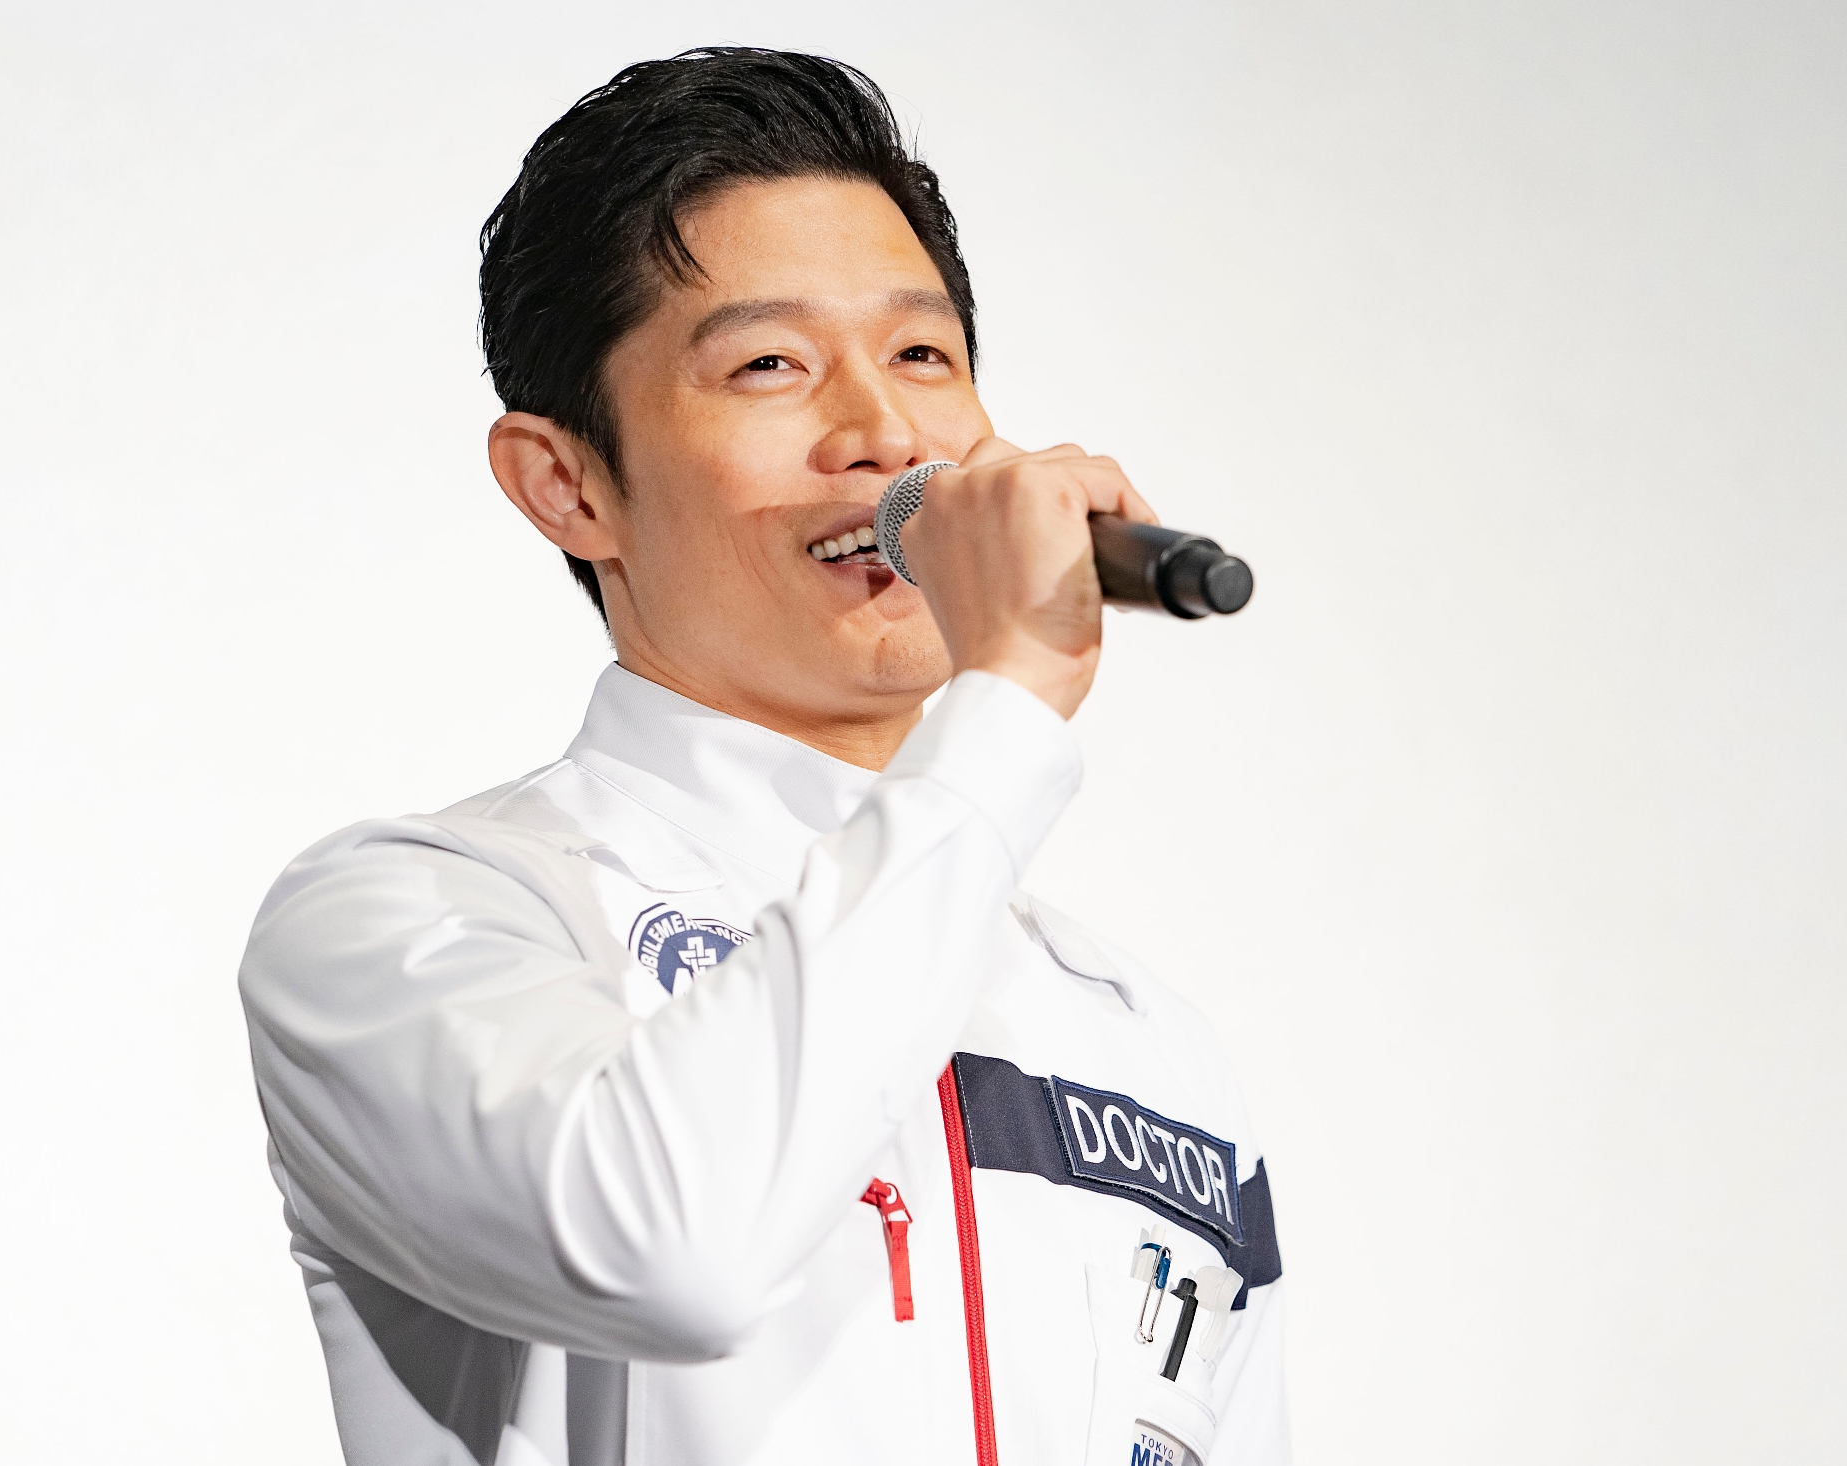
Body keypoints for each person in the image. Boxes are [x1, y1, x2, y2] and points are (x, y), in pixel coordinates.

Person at [239, 47, 1288, 1466]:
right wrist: (1009, 698)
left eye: (923, 357)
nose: (884, 434)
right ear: (568, 483)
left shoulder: (1139, 1037)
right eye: (771, 366)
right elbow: (674, 1248)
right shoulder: (415, 918)